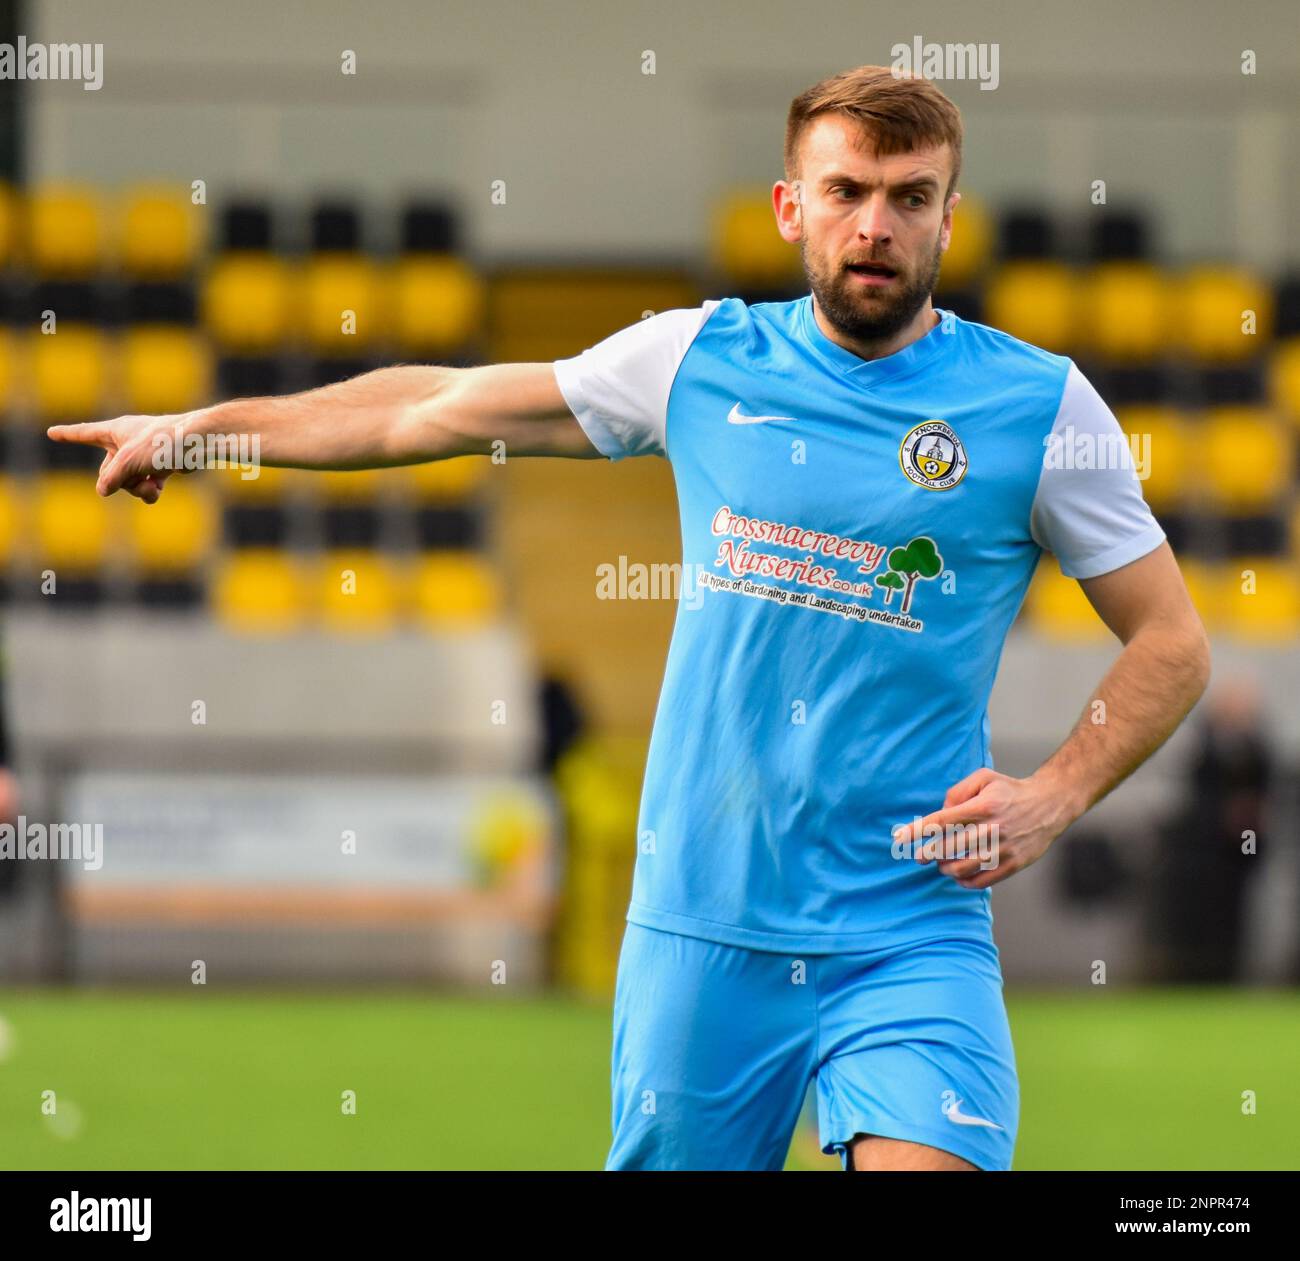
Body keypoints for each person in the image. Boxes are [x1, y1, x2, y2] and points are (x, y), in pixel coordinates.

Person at [46, 64, 1211, 1172]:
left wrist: (1056, 791)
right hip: (701, 925)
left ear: (950, 218)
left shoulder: (1039, 405)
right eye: (847, 192)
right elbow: (435, 410)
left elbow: (1171, 640)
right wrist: (207, 428)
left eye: (910, 198)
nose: (875, 226)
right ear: (789, 205)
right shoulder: (697, 358)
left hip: (910, 924)